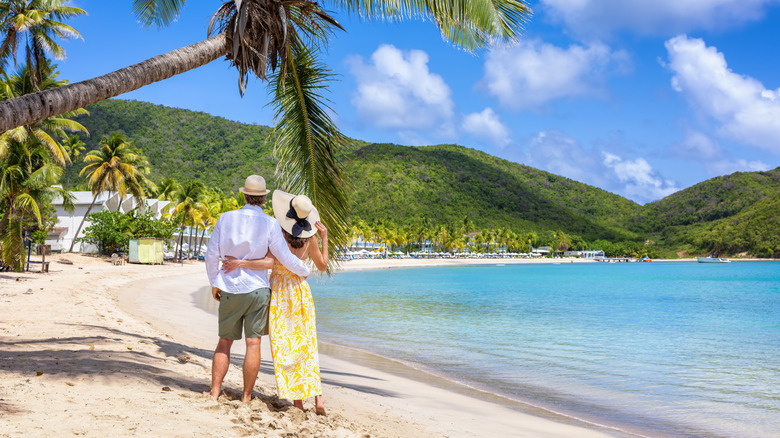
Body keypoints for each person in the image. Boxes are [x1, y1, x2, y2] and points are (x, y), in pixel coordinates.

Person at [204, 175, 311, 403]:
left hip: (230, 288)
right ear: (263, 199)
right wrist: (305, 270)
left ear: (244, 195)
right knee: (253, 343)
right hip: (257, 291)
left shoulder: (225, 218)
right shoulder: (270, 223)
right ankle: (245, 396)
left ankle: (214, 392)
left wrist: (215, 282)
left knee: (224, 341)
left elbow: (211, 255)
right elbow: (284, 257)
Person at [222, 190, 328, 415]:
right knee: (307, 345)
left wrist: (241, 263)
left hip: (280, 295)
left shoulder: (278, 234)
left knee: (286, 347)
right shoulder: (310, 241)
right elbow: (322, 266)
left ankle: (298, 403)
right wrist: (325, 238)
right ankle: (318, 399)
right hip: (300, 294)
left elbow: (268, 263)